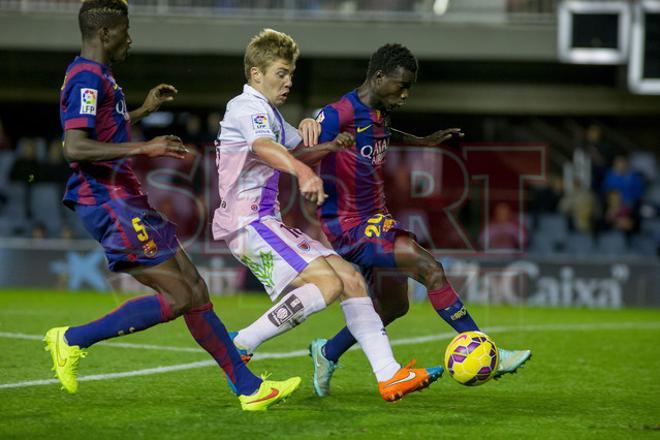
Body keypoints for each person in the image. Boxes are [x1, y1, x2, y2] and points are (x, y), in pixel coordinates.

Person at [44, 0, 299, 411]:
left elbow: (102, 131)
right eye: (125, 30)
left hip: (124, 194)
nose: (130, 38)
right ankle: (71, 339)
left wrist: (144, 110)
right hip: (108, 199)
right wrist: (147, 145)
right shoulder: (87, 75)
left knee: (196, 290)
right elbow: (74, 146)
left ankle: (249, 389)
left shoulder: (100, 75)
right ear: (105, 34)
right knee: (180, 296)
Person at [213, 29, 442, 402]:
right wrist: (304, 172)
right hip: (249, 222)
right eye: (281, 73)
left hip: (265, 222)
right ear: (256, 74)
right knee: (328, 284)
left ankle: (390, 375)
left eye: (291, 74)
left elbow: (300, 149)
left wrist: (327, 144)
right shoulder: (246, 108)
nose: (288, 82)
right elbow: (266, 148)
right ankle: (239, 344)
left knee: (351, 279)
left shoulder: (267, 112)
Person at [297, 43, 532, 396]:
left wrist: (419, 141)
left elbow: (378, 134)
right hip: (348, 225)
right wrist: (312, 172)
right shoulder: (337, 114)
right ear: (378, 77)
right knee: (430, 268)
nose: (405, 95)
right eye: (401, 85)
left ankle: (327, 351)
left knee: (394, 306)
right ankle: (490, 353)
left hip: (377, 217)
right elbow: (299, 152)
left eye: (409, 88)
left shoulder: (379, 111)